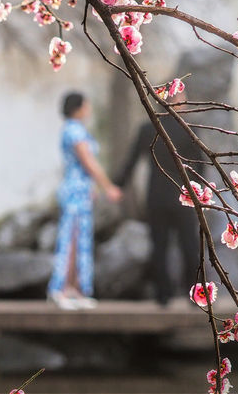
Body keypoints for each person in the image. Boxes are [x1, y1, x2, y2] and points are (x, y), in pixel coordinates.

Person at [113, 91, 206, 307]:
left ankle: (163, 296)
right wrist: (199, 192)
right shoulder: (188, 129)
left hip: (156, 196)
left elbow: (131, 161)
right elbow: (200, 166)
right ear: (177, 102)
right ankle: (195, 295)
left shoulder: (148, 129)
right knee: (189, 246)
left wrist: (118, 186)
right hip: (184, 196)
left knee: (159, 246)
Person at [49, 93, 122, 310]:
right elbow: (89, 162)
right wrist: (107, 186)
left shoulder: (75, 130)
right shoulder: (74, 131)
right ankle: (60, 287)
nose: (89, 109)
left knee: (79, 239)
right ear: (78, 108)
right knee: (71, 238)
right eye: (86, 105)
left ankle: (74, 287)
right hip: (74, 192)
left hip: (81, 191)